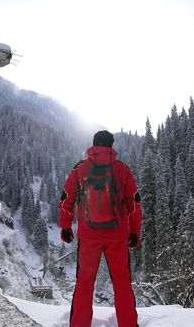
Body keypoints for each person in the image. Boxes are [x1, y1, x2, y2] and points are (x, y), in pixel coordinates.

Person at [59, 130, 142, 327]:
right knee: (122, 284)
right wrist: (134, 231)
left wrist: (65, 226)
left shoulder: (80, 169)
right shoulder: (122, 170)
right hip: (117, 236)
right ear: (111, 146)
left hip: (89, 238)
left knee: (84, 284)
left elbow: (66, 200)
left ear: (94, 145)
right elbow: (134, 204)